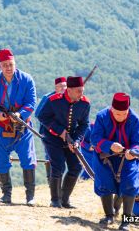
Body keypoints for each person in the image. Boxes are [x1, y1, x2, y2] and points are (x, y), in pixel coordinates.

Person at [0, 49, 37, 206]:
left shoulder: (27, 80)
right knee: (1, 161)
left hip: (22, 128)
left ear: (15, 64)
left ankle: (30, 196)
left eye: (10, 64)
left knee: (28, 159)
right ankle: (6, 195)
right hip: (0, 127)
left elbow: (31, 102)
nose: (8, 68)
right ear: (0, 66)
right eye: (5, 65)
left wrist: (20, 115)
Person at [91, 93, 139, 230]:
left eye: (124, 114)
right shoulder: (102, 116)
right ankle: (109, 215)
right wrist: (109, 145)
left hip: (128, 158)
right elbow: (95, 138)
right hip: (105, 157)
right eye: (117, 114)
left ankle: (126, 221)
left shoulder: (135, 119)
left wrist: (134, 152)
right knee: (105, 183)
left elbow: (138, 142)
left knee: (130, 184)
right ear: (112, 109)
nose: (121, 117)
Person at [37, 76, 90, 208]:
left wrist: (76, 140)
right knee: (58, 166)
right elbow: (42, 117)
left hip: (71, 138)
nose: (81, 94)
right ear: (69, 90)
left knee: (76, 166)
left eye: (82, 90)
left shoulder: (84, 103)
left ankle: (65, 200)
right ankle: (55, 200)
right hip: (52, 137)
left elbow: (84, 124)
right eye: (78, 91)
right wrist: (60, 131)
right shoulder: (54, 100)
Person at [35, 77, 67, 183]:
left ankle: (60, 181)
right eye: (60, 86)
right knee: (50, 156)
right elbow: (38, 114)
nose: (63, 88)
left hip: (64, 132)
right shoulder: (48, 98)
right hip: (49, 131)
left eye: (64, 86)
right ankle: (51, 182)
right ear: (56, 87)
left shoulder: (69, 98)